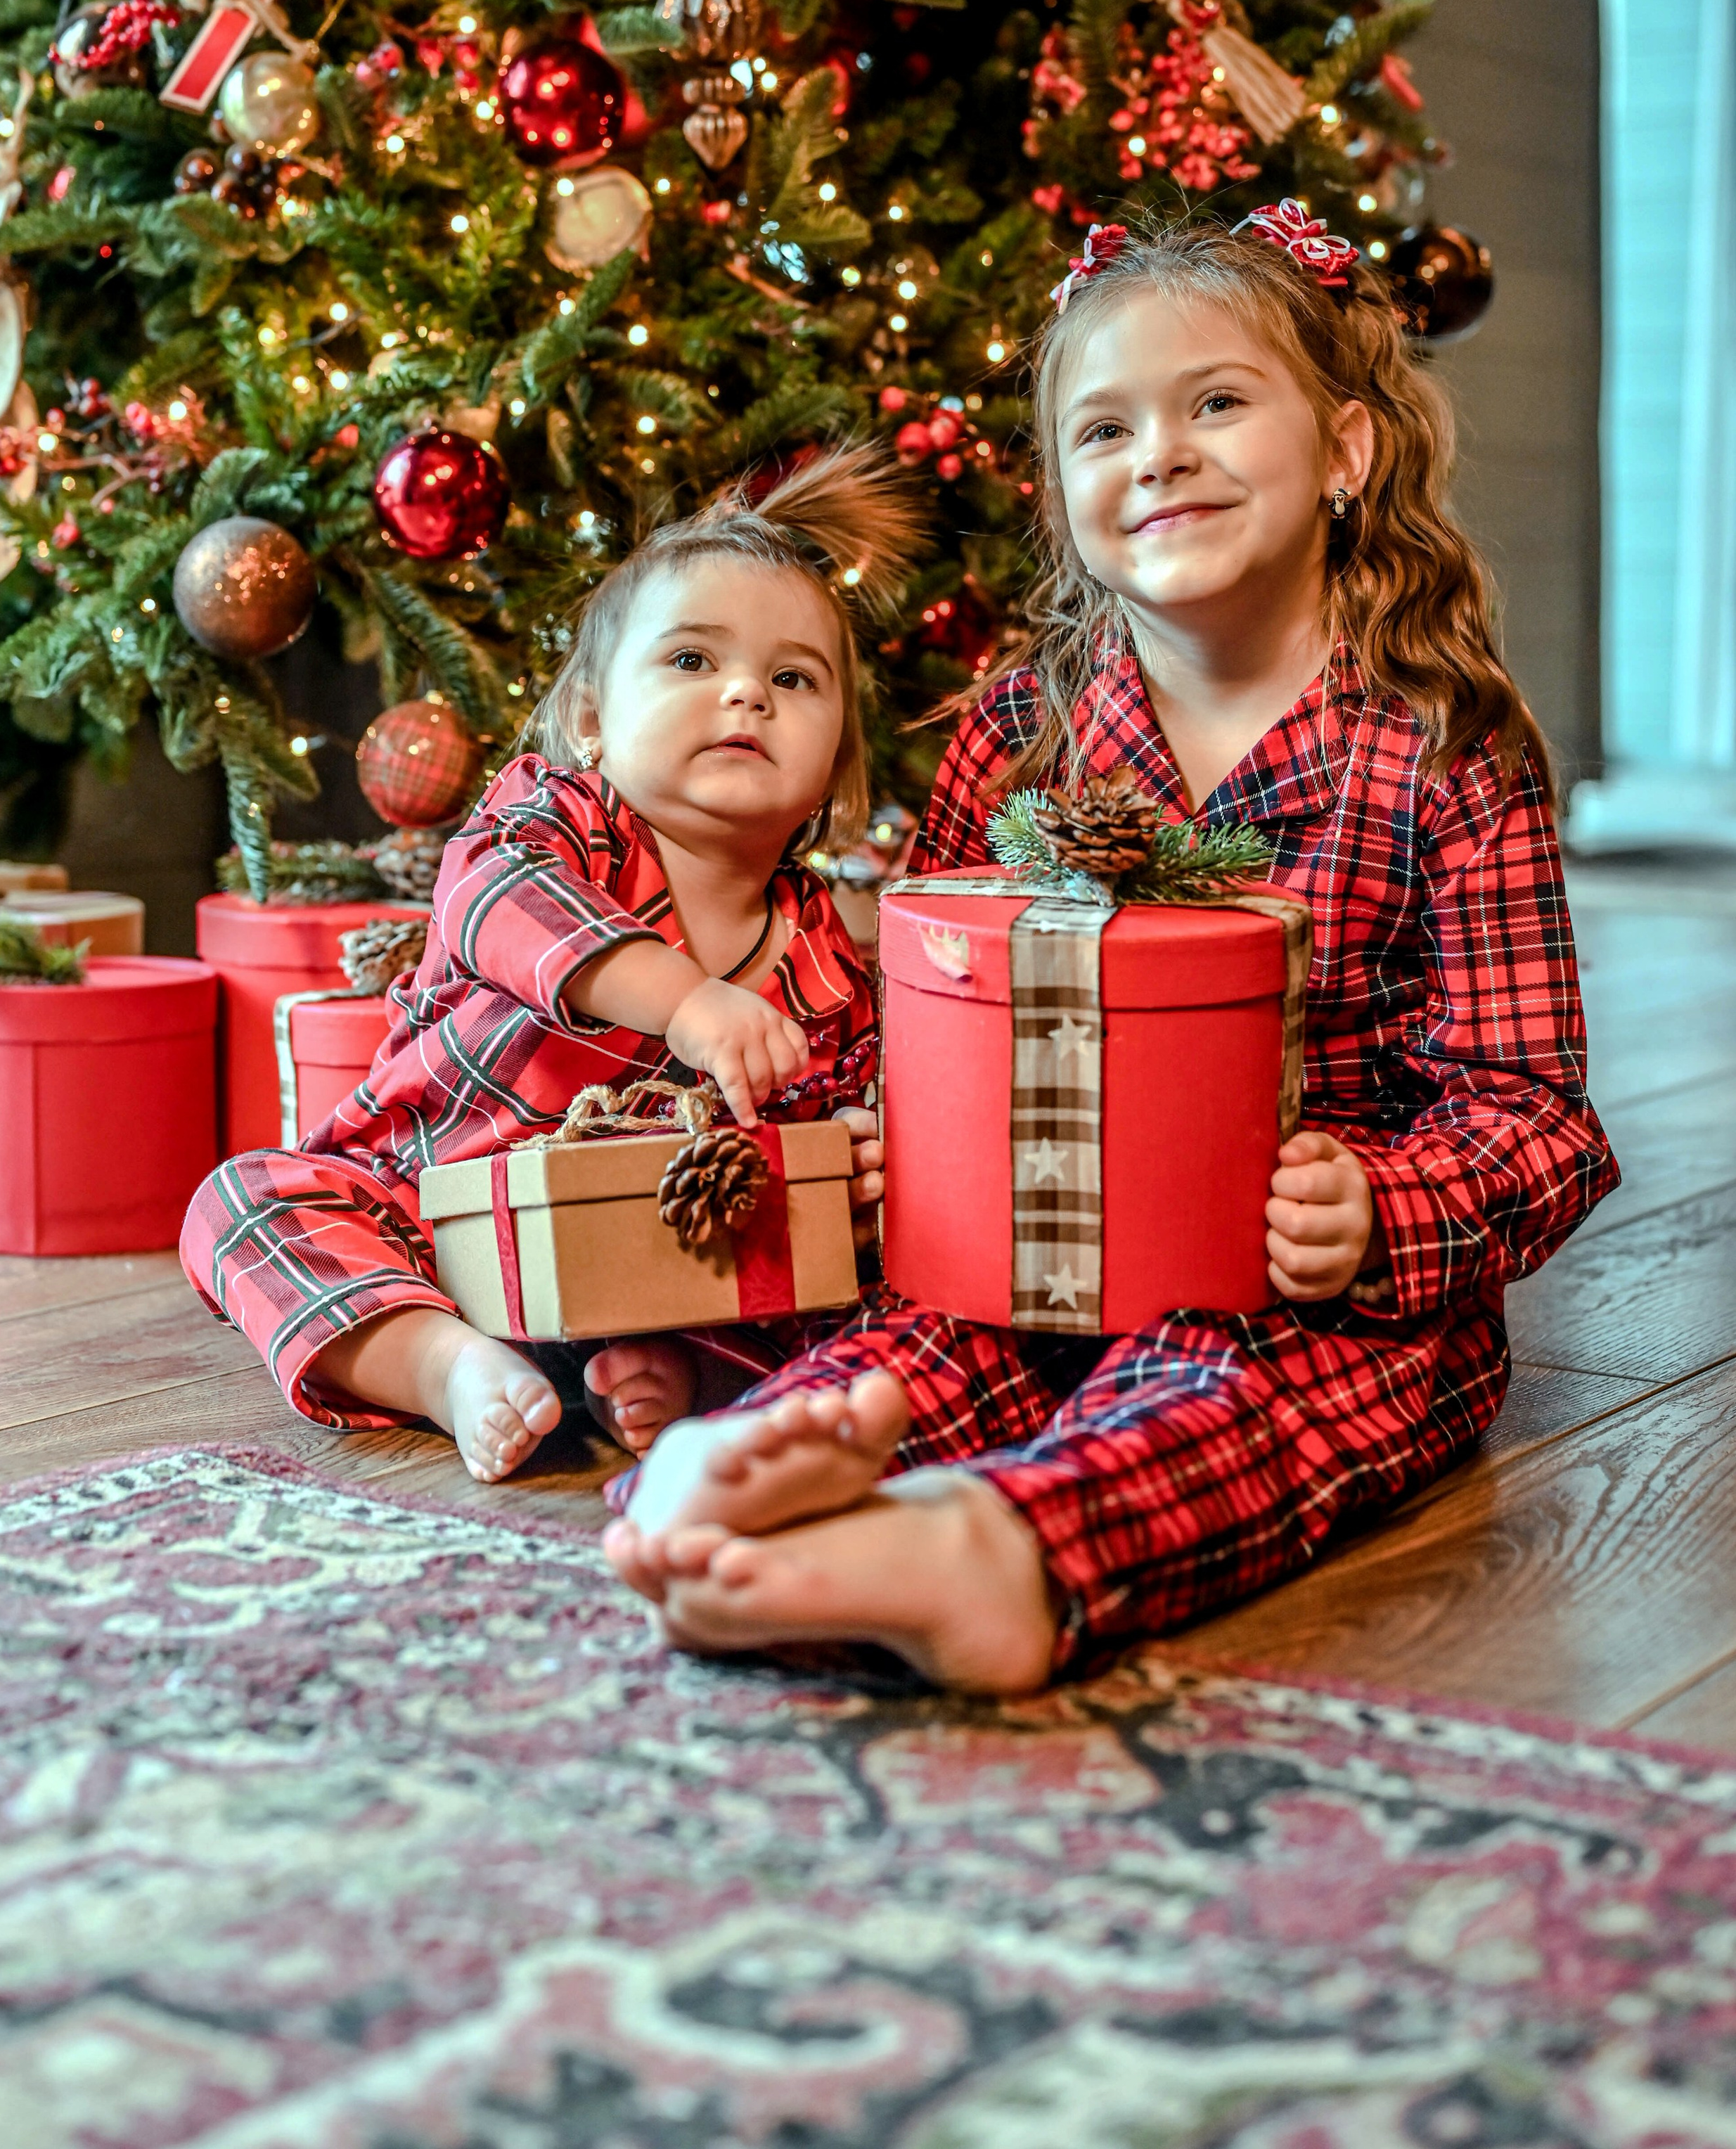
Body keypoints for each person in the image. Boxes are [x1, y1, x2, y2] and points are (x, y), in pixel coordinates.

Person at [605, 204, 1619, 1692]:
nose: (1156, 454)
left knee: (1245, 1398)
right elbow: (919, 1027)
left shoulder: (1440, 744)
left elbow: (1537, 1115)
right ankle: (754, 1492)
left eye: (1214, 403)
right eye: (1103, 430)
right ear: (1064, 487)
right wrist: (895, 1138)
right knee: (907, 1359)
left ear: (1344, 450)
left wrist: (1382, 1208)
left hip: (1311, 1291)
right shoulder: (1017, 739)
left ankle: (992, 1553)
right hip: (1022, 1253)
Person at [180, 449, 918, 1482]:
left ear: (835, 767)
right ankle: (441, 1365)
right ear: (590, 723)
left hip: (654, 1262)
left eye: (792, 678)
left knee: (824, 1294)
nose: (747, 694)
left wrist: (847, 1159)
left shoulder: (829, 961)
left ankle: (668, 1373)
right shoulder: (558, 819)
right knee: (242, 1202)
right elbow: (492, 900)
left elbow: (835, 1114)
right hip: (428, 1214)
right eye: (694, 662)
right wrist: (684, 1001)